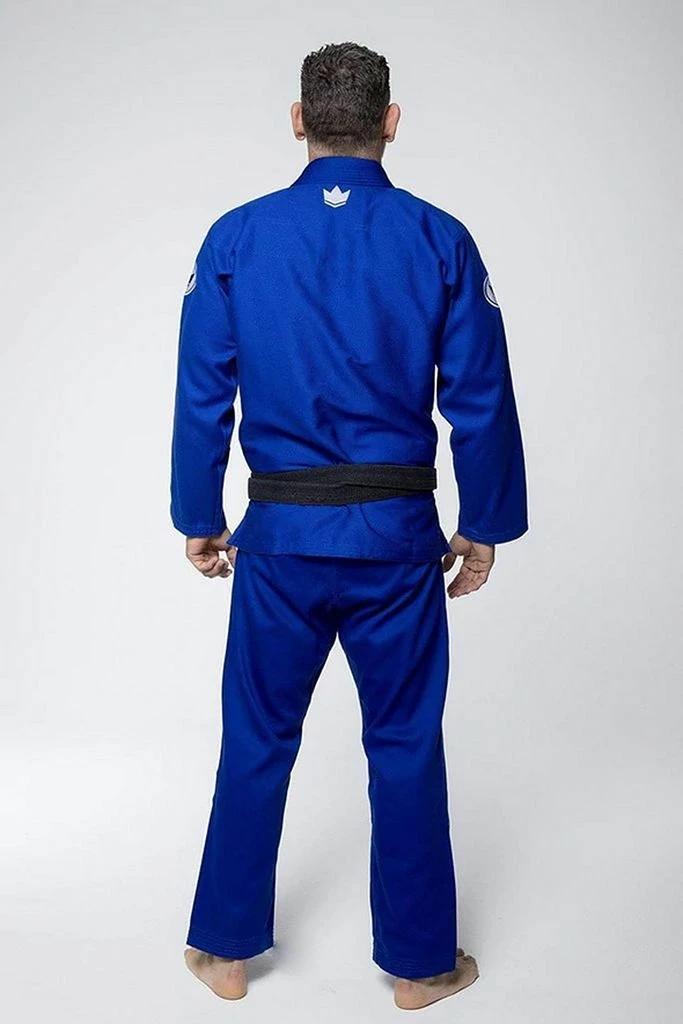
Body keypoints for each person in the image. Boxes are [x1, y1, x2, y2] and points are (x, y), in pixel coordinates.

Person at [169, 41, 528, 1011]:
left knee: (256, 737)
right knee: (403, 743)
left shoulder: (236, 237)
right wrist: (483, 524)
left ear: (298, 120)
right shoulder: (438, 238)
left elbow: (203, 393)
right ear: (390, 122)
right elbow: (480, 397)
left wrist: (199, 515)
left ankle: (224, 953)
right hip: (397, 542)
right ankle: (419, 967)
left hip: (278, 543)